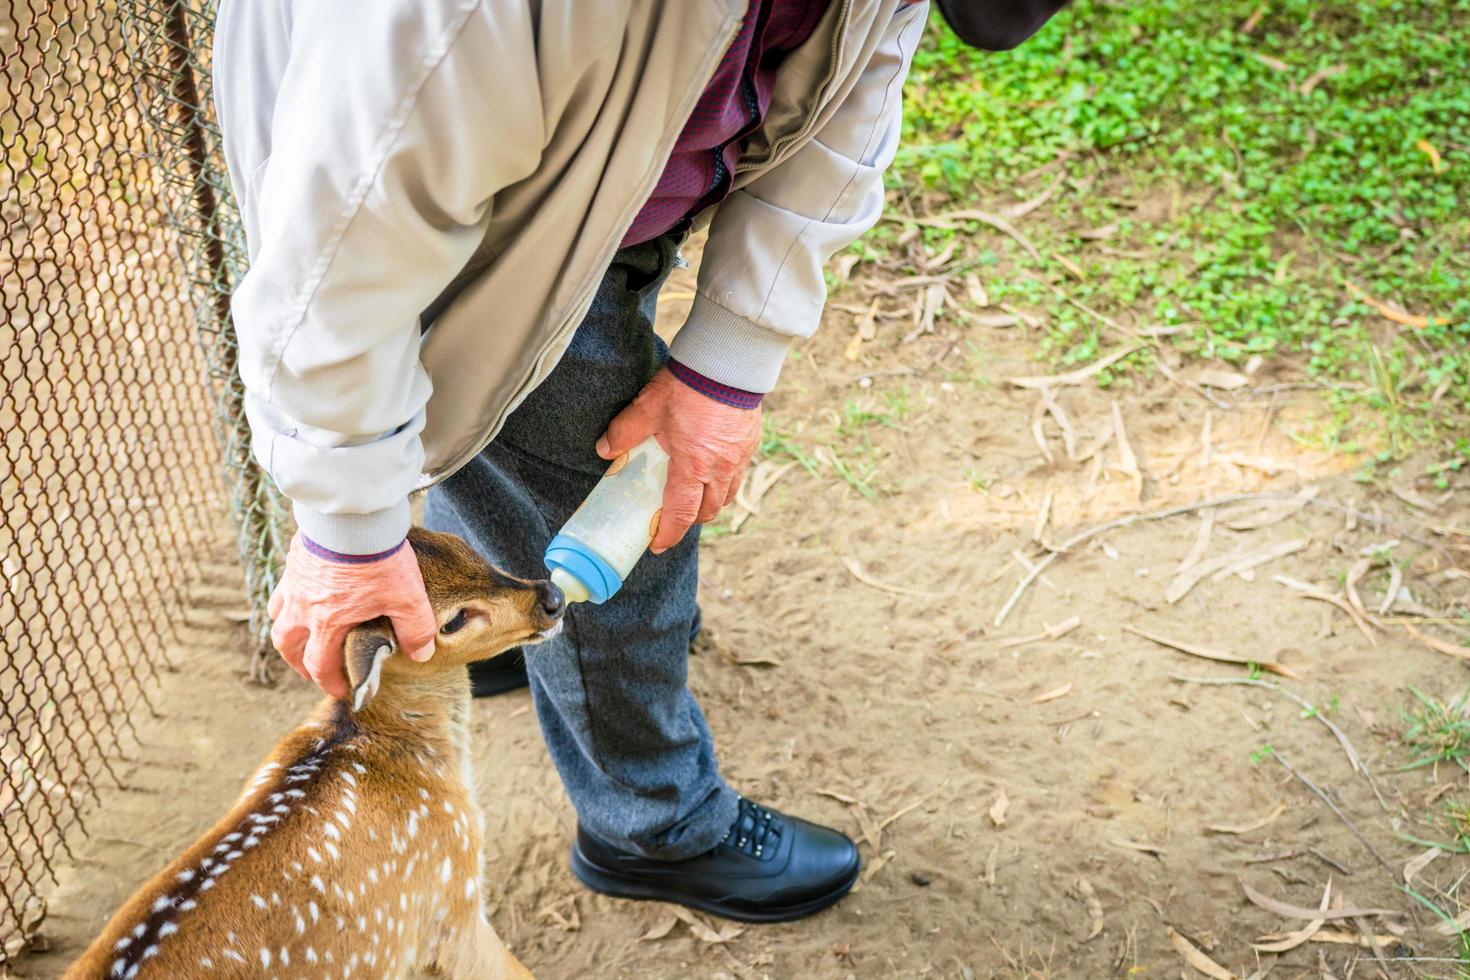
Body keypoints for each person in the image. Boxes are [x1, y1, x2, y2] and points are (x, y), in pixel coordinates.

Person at [215, 0, 1065, 924]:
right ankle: (653, 824)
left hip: (575, 193)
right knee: (611, 525)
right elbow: (354, 239)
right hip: (401, 200)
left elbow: (853, 83)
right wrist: (346, 527)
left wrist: (727, 363)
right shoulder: (463, 22)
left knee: (513, 439)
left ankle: (479, 636)